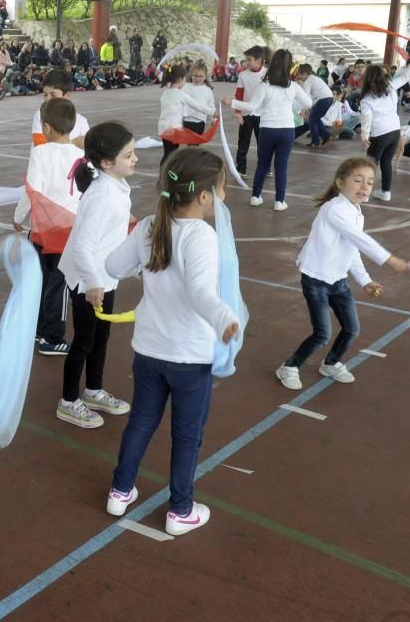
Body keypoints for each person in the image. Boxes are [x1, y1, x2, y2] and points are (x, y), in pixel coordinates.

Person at [103, 147, 240, 535]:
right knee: (187, 435)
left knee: (141, 423)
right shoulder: (200, 235)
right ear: (202, 196)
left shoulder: (151, 223)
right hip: (188, 357)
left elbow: (113, 265)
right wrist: (223, 319)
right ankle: (180, 510)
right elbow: (200, 292)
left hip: (148, 350)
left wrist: (141, 266)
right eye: (222, 189)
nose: (224, 198)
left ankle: (120, 490)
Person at [275, 157, 410, 391]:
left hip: (338, 280)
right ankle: (289, 366)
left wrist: (365, 281)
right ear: (340, 182)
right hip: (315, 279)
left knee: (352, 329)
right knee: (322, 334)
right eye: (358, 180)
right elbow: (361, 240)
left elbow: (352, 249)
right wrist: (390, 260)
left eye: (369, 182)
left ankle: (331, 363)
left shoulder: (356, 212)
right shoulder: (335, 209)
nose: (365, 186)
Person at [56, 121, 137, 429]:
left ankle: (92, 391)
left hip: (105, 276)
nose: (134, 159)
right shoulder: (103, 194)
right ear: (106, 162)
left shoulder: (114, 186)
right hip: (89, 280)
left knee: (101, 337)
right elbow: (82, 246)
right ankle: (67, 401)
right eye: (128, 155)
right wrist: (92, 284)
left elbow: (108, 219)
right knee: (84, 341)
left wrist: (125, 217)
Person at [13, 98, 84, 356]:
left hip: (42, 230)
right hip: (68, 231)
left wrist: (19, 216)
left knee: (40, 280)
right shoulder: (81, 156)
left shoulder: (40, 152)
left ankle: (39, 329)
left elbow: (32, 189)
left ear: (46, 127)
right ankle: (52, 336)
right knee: (60, 284)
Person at [225, 48, 311, 211]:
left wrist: (232, 102)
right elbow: (309, 103)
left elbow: (251, 106)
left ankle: (255, 196)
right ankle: (280, 201)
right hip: (286, 131)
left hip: (267, 130)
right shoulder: (293, 87)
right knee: (281, 166)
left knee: (262, 164)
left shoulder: (265, 85)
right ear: (289, 67)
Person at [358, 56, 410, 202]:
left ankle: (364, 195)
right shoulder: (390, 87)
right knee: (386, 162)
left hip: (379, 134)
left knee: (370, 164)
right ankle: (385, 192)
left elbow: (366, 120)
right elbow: (407, 75)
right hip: (395, 131)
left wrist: (364, 137)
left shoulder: (367, 100)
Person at [158, 65, 215, 164]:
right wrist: (213, 112)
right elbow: (197, 106)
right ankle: (168, 175)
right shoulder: (181, 94)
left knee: (167, 153)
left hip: (163, 128)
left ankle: (163, 174)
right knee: (172, 156)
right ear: (182, 79)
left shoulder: (166, 92)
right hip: (174, 130)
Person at [232, 45, 267, 178]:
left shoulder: (267, 74)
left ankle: (265, 166)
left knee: (263, 143)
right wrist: (238, 112)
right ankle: (241, 168)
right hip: (246, 114)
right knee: (243, 142)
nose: (246, 63)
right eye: (246, 60)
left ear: (259, 61)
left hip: (262, 115)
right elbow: (239, 94)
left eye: (249, 60)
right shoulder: (242, 75)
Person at [33, 69, 89, 148]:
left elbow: (88, 149)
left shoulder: (81, 122)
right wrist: (73, 142)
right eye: (45, 95)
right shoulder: (40, 115)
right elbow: (40, 146)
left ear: (67, 95)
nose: (48, 99)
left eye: (53, 95)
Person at [295, 63, 334, 148]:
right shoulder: (315, 78)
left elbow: (305, 98)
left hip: (323, 99)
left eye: (299, 74)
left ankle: (315, 141)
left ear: (305, 74)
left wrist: (303, 111)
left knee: (311, 120)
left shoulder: (308, 81)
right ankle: (325, 135)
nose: (299, 77)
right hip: (329, 98)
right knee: (315, 119)